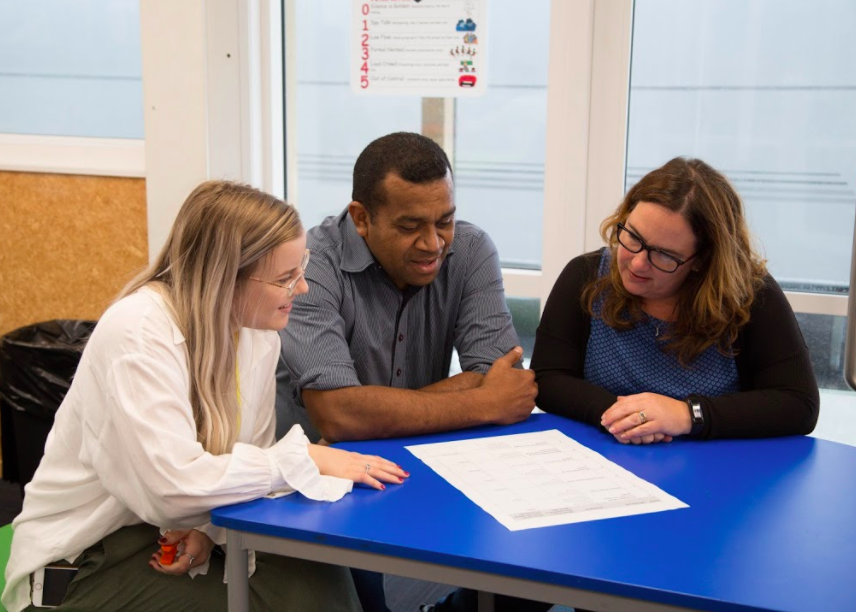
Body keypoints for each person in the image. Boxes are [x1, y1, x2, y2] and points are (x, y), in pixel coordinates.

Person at [3, 181, 407, 612]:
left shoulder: (255, 332)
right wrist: (302, 458)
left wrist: (207, 529)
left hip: (157, 533)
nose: (302, 289)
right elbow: (172, 488)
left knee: (317, 581)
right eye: (286, 278)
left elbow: (240, 457)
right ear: (225, 278)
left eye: (300, 268)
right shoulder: (139, 333)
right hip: (84, 561)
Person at [275, 132, 544, 612]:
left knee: (529, 576)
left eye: (445, 221)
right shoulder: (311, 266)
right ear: (361, 218)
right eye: (410, 226)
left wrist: (373, 408)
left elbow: (501, 375)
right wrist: (480, 403)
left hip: (423, 463)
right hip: (317, 482)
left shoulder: (473, 250)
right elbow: (337, 416)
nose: (433, 243)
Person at [532, 157, 819, 444]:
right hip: (606, 452)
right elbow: (548, 379)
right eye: (632, 236)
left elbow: (798, 404)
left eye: (664, 255)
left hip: (715, 467)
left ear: (703, 261)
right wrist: (630, 418)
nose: (638, 263)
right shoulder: (586, 276)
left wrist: (687, 415)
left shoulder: (750, 294)